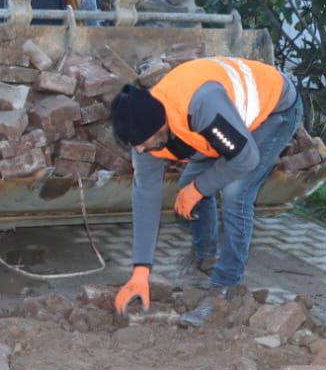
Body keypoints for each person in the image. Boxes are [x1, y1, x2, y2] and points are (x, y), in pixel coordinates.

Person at [109, 56, 303, 329]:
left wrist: (199, 188)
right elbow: (145, 197)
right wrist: (141, 270)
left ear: (160, 125)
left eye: (143, 144)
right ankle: (206, 258)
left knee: (236, 193)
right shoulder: (144, 132)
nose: (140, 151)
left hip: (275, 110)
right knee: (187, 188)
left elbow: (245, 158)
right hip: (228, 122)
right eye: (135, 146)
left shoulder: (201, 106)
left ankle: (225, 288)